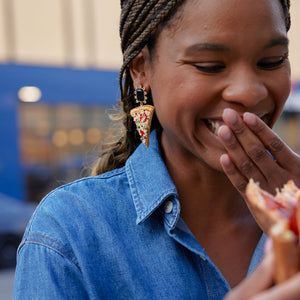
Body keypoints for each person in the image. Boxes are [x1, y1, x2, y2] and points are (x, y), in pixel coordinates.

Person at [13, 0, 300, 299]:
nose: (249, 91)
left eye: (272, 61)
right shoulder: (69, 235)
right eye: (209, 66)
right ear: (141, 70)